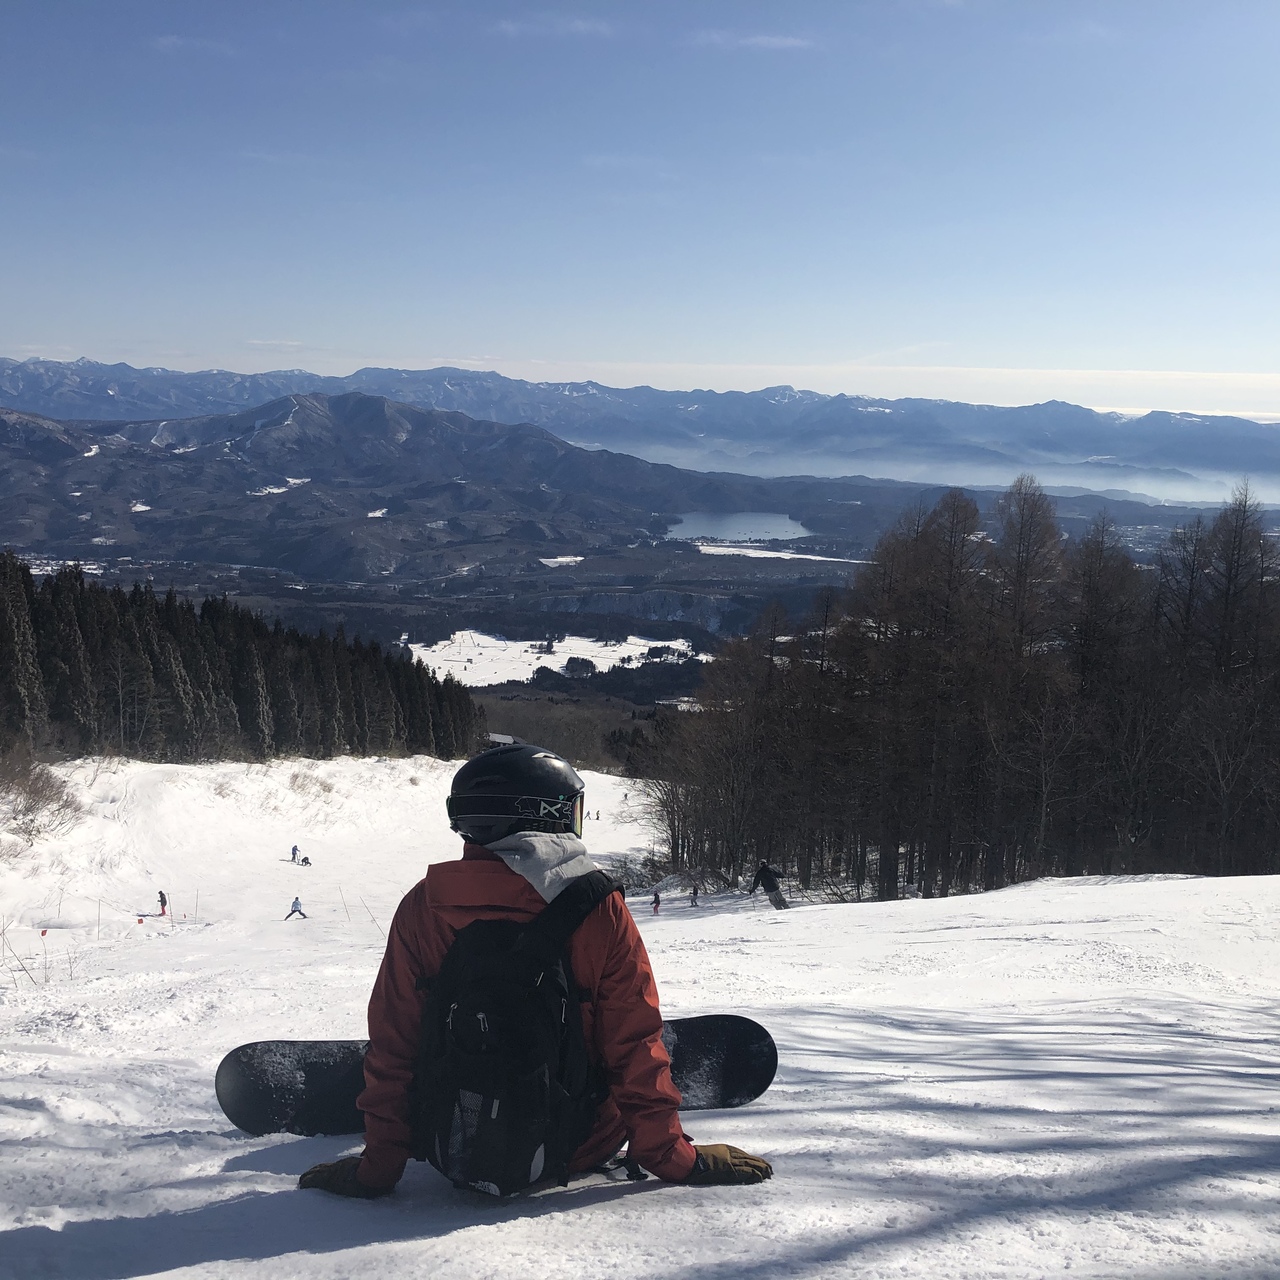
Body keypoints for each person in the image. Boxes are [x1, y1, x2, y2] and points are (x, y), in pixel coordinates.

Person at [298, 743, 771, 1200]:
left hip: (452, 1150)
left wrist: (377, 1169)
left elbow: (394, 1039)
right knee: (636, 1039)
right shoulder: (597, 905)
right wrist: (675, 1159)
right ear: (547, 814)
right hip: (576, 1147)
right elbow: (632, 1041)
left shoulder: (423, 905)